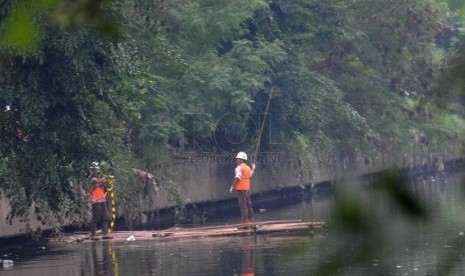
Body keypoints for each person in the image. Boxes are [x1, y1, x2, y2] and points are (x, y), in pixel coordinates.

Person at [230, 152, 256, 223]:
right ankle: (251, 218)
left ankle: (245, 220)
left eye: (238, 159)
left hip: (241, 188)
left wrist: (232, 186)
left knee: (243, 204)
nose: (237, 160)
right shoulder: (247, 167)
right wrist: (253, 168)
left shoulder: (239, 168)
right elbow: (250, 175)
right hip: (247, 188)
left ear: (242, 160)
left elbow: (238, 177)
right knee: (248, 203)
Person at [88, 162, 111, 239]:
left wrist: (105, 180)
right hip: (95, 200)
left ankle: (105, 234)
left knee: (105, 216)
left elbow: (106, 184)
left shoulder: (100, 177)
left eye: (97, 169)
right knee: (96, 218)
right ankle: (93, 234)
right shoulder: (90, 178)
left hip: (102, 199)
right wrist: (101, 180)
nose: (96, 170)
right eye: (94, 169)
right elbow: (94, 182)